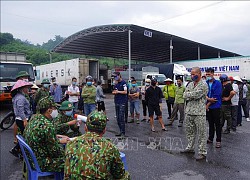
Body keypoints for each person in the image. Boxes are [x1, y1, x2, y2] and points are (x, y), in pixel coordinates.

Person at [64, 111, 130, 179]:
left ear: (85, 128)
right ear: (104, 130)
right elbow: (119, 173)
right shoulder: (109, 147)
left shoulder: (71, 143)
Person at [24, 97, 68, 172]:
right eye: (55, 109)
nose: (56, 111)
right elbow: (55, 152)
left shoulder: (34, 118)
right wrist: (68, 152)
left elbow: (42, 136)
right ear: (49, 110)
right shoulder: (47, 125)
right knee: (72, 161)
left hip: (32, 158)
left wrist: (55, 137)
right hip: (41, 163)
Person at [181, 67, 208, 161]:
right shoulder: (190, 84)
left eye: (194, 74)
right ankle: (190, 147)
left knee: (202, 133)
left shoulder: (203, 84)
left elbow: (197, 95)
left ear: (199, 74)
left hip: (199, 113)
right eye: (191, 74)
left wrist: (189, 94)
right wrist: (189, 94)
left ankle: (202, 152)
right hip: (189, 111)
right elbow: (184, 95)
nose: (192, 76)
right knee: (189, 131)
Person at [9, 80, 32, 158]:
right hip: (22, 119)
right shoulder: (20, 98)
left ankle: (19, 151)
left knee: (24, 135)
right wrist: (25, 120)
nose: (28, 89)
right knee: (26, 136)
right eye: (26, 88)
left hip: (20, 119)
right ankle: (16, 150)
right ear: (22, 89)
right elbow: (20, 110)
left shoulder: (19, 96)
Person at [205, 68, 222, 148]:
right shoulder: (206, 83)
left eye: (209, 74)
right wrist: (208, 99)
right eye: (207, 74)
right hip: (208, 107)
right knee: (210, 123)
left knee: (217, 124)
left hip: (215, 106)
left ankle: (218, 140)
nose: (207, 76)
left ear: (213, 74)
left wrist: (207, 105)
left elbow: (216, 97)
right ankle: (210, 138)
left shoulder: (218, 83)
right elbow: (203, 93)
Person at [112, 72, 127, 137]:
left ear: (119, 76)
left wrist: (118, 92)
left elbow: (125, 92)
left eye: (116, 77)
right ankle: (120, 131)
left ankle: (123, 133)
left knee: (121, 117)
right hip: (117, 101)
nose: (115, 78)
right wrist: (114, 92)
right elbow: (114, 91)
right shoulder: (116, 84)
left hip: (122, 102)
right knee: (118, 118)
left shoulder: (123, 83)